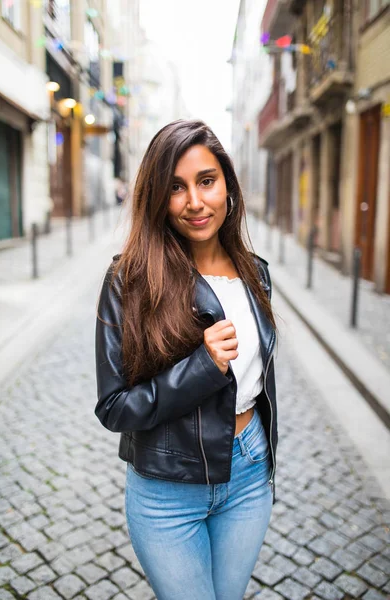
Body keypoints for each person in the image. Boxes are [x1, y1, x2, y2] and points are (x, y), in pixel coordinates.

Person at [95, 119, 278, 600]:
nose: (195, 202)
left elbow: (259, 383)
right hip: (166, 490)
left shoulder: (254, 273)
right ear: (156, 197)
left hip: (248, 473)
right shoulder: (129, 281)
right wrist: (202, 368)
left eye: (206, 181)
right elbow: (114, 407)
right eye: (175, 187)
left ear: (227, 186)